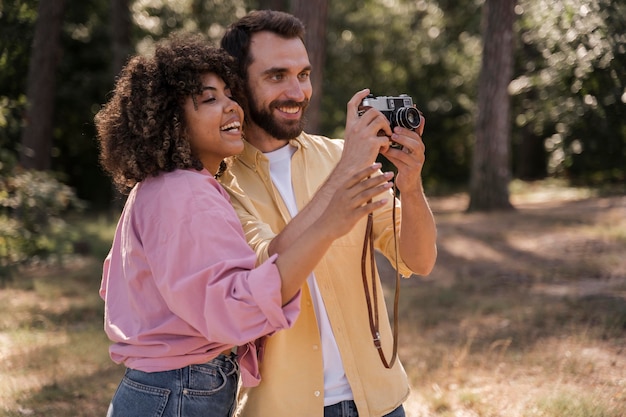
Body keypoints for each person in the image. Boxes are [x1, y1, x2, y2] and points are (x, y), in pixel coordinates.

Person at [95, 32, 394, 417]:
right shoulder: (185, 193)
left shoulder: (164, 187)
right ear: (172, 118)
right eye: (210, 99)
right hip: (180, 393)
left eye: (230, 95)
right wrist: (328, 225)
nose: (233, 108)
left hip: (166, 389)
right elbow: (235, 311)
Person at [219, 10, 438, 417]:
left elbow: (419, 261)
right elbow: (268, 277)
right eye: (276, 76)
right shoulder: (219, 185)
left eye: (303, 75)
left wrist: (410, 185)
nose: (297, 91)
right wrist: (348, 168)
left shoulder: (339, 155)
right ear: (237, 85)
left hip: (379, 402)